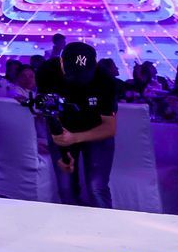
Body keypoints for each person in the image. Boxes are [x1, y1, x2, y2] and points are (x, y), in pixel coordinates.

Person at [36, 42, 117, 209]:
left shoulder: (106, 80)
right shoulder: (47, 72)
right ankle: (72, 223)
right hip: (63, 127)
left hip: (96, 132)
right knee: (66, 188)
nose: (79, 81)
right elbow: (49, 109)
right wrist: (63, 147)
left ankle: (106, 223)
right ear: (61, 62)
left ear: (95, 65)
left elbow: (109, 127)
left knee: (96, 188)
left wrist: (74, 138)